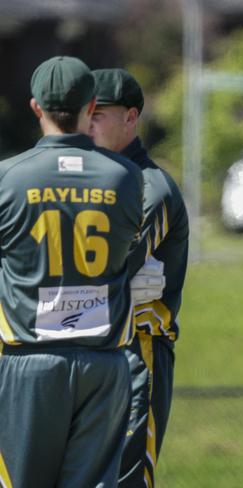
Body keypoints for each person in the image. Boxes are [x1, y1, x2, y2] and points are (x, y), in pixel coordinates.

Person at [0, 56, 145, 487]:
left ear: (36, 108)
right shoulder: (127, 177)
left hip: (31, 358)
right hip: (104, 362)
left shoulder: (7, 178)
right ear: (91, 105)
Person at [90, 68, 189, 488]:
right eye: (84, 113)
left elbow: (117, 268)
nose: (87, 123)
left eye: (99, 114)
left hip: (138, 353)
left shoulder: (152, 187)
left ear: (131, 118)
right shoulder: (89, 185)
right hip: (91, 351)